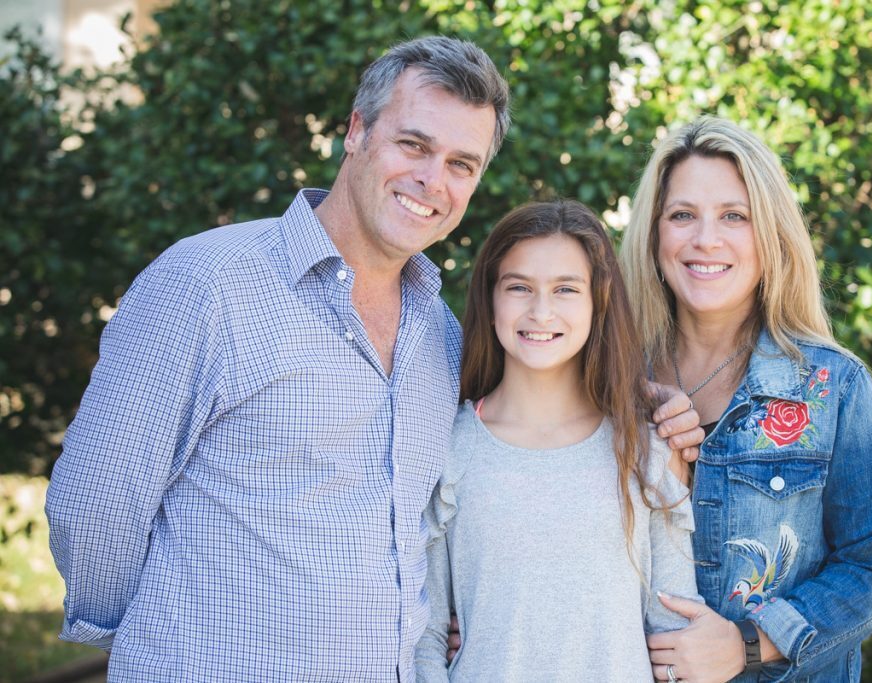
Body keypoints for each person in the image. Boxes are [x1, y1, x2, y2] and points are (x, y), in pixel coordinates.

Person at [45, 37, 700, 681]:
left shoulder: (441, 337)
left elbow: (526, 438)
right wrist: (148, 642)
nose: (431, 180)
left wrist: (646, 402)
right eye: (413, 144)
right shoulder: (208, 286)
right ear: (356, 130)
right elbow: (94, 506)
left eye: (461, 164)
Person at [619, 115, 872, 682]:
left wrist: (750, 644)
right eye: (682, 215)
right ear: (654, 235)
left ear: (770, 234)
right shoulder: (608, 386)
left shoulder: (834, 388)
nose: (706, 239)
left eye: (735, 216)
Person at [414, 200, 702, 681]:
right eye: (519, 287)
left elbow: (677, 628)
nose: (540, 311)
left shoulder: (646, 449)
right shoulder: (447, 447)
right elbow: (424, 639)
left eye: (565, 289)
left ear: (598, 302)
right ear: (490, 302)